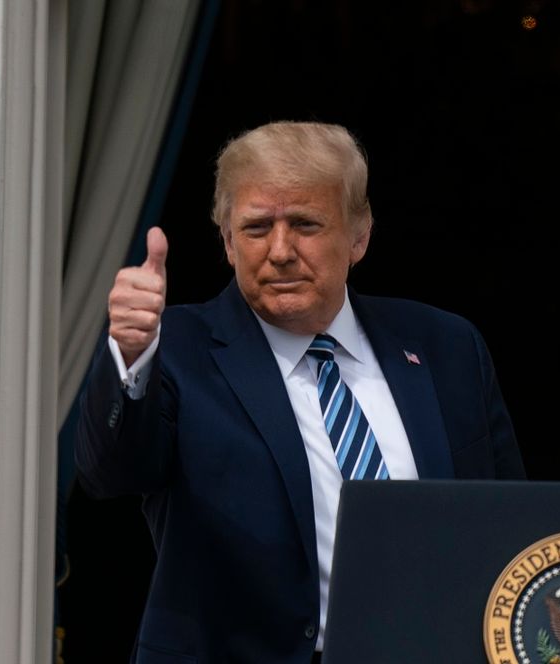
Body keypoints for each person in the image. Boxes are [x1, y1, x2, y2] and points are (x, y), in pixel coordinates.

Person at [75, 121, 525, 663]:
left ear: (359, 237)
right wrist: (130, 353)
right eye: (257, 227)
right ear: (226, 241)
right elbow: (110, 473)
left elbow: (509, 524)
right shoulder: (179, 352)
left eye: (306, 224)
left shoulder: (446, 346)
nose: (281, 250)